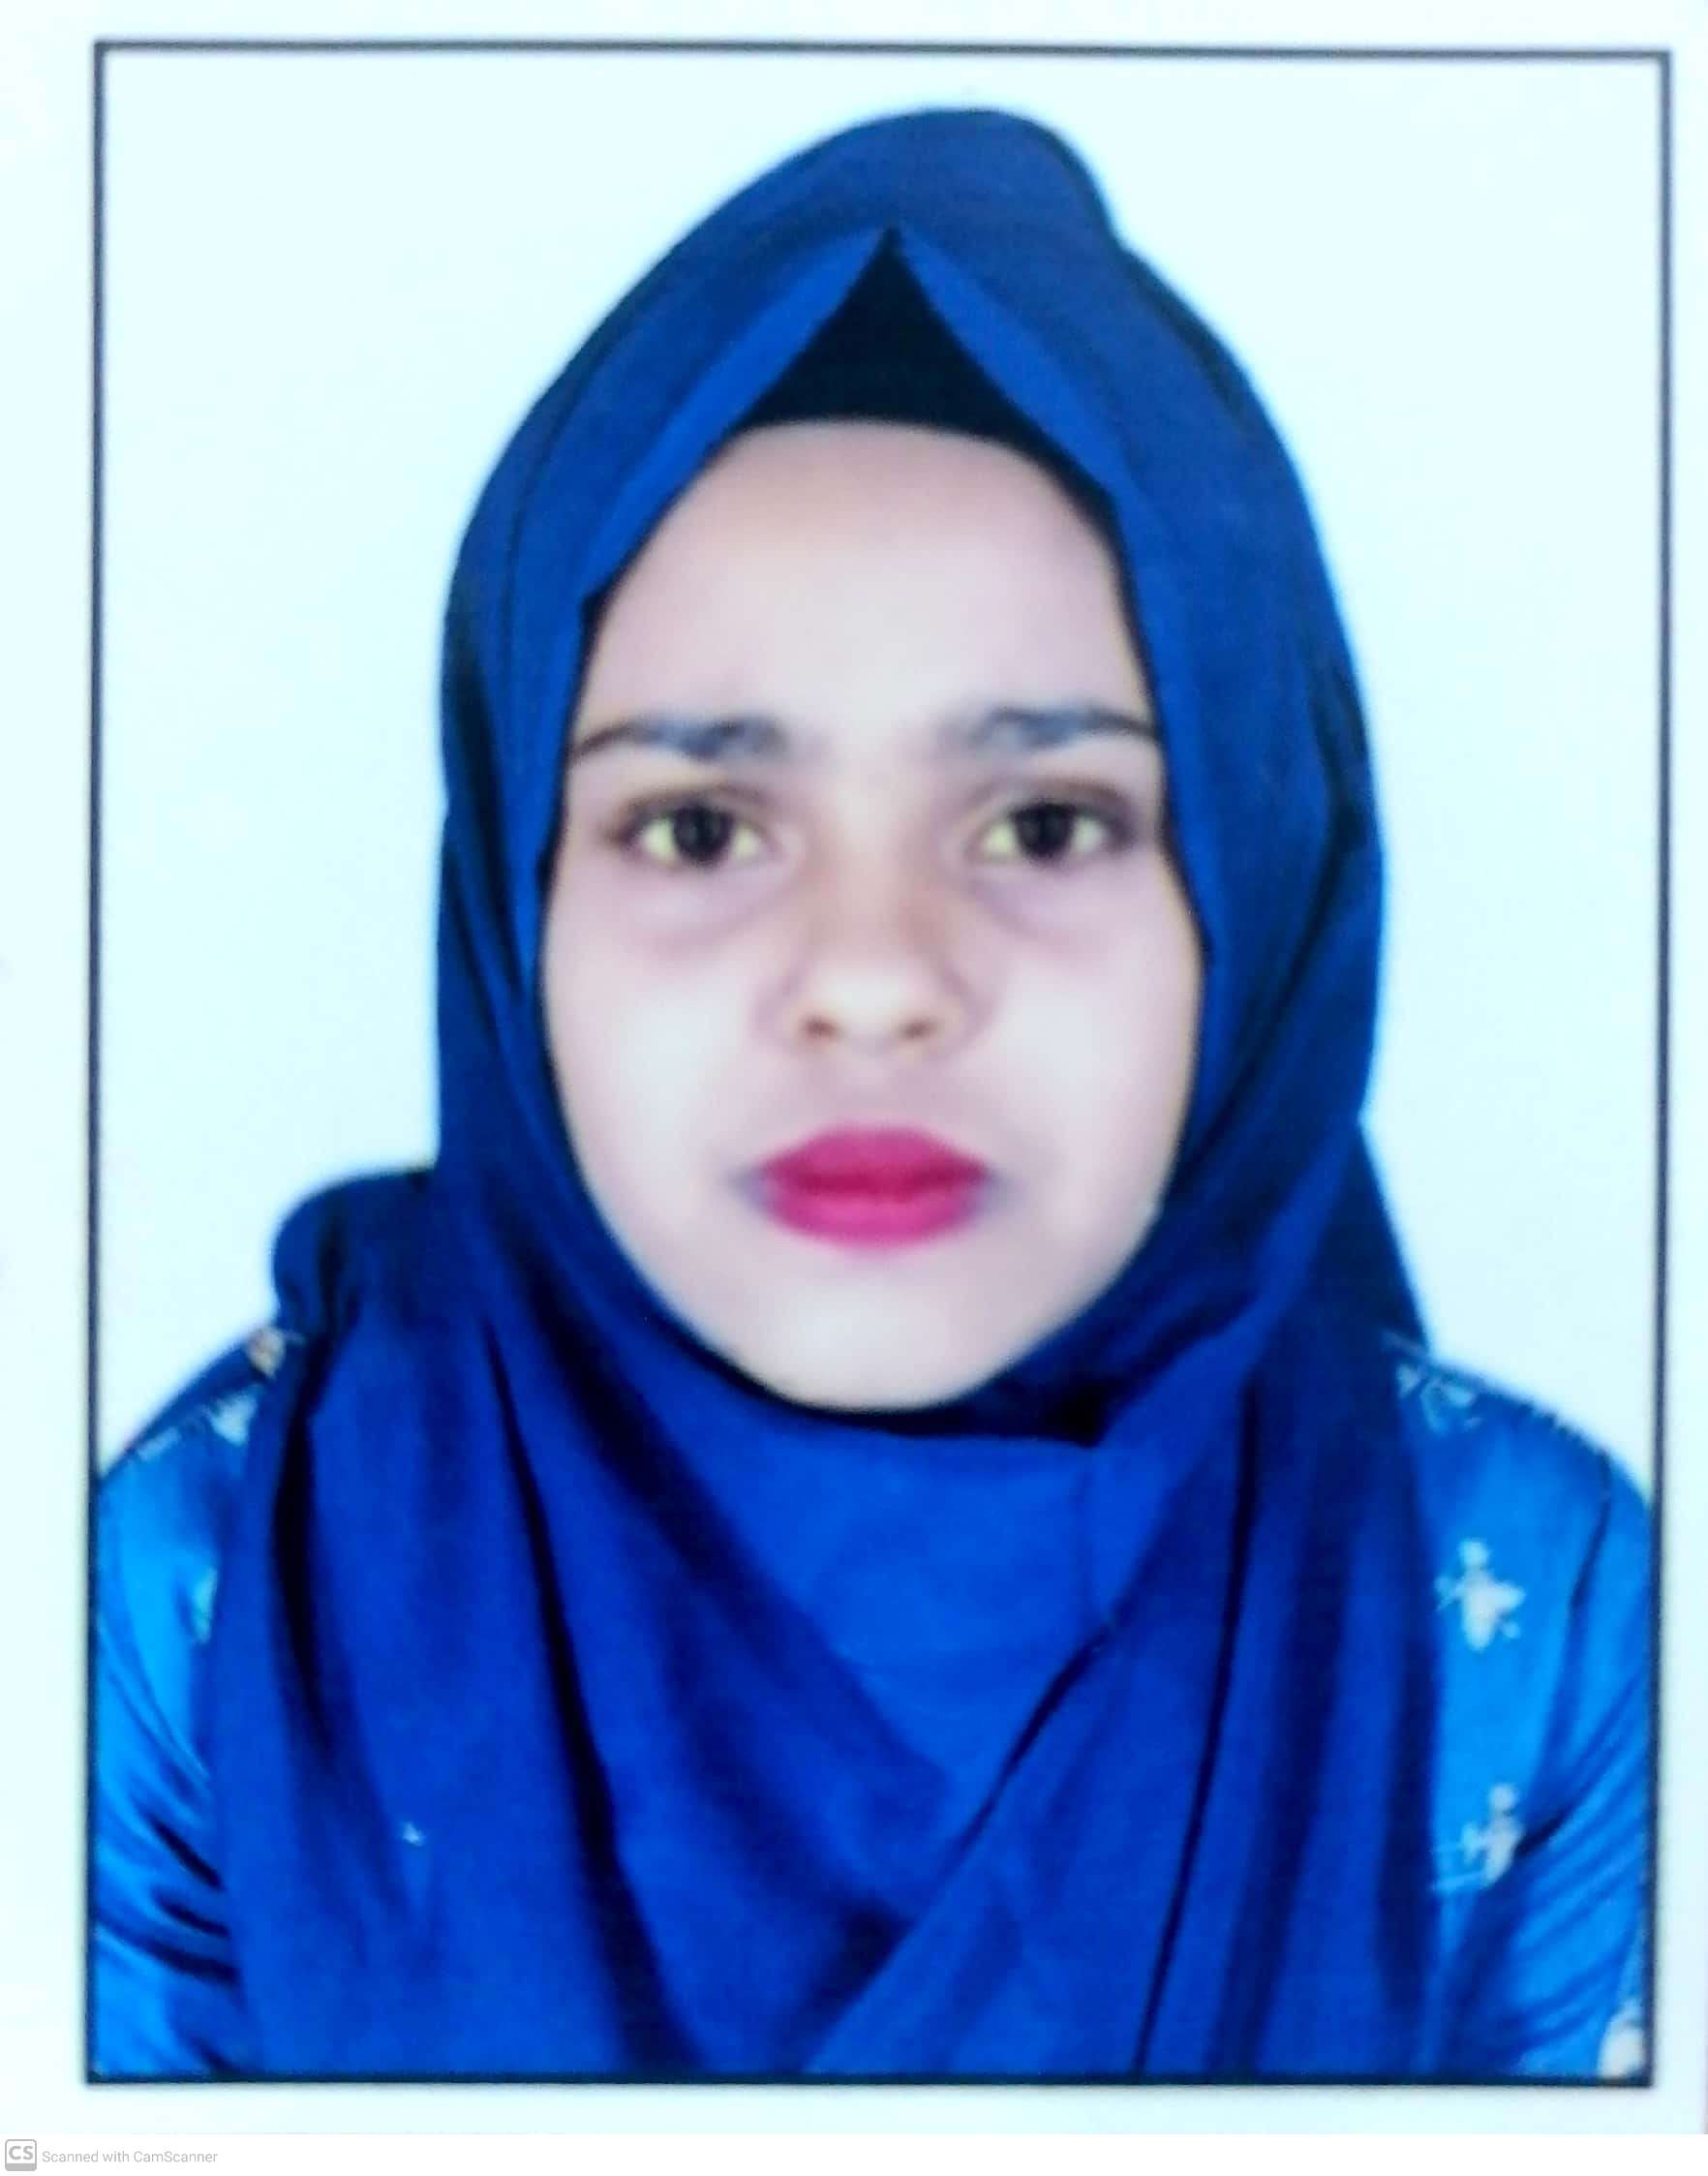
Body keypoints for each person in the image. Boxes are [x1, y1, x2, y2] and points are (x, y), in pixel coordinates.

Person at [91, 107, 1650, 2082]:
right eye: (698, 824)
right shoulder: (222, 1591)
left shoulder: (1522, 1614)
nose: (874, 975)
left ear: (1256, 901)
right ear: (516, 915)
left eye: (1047, 820)